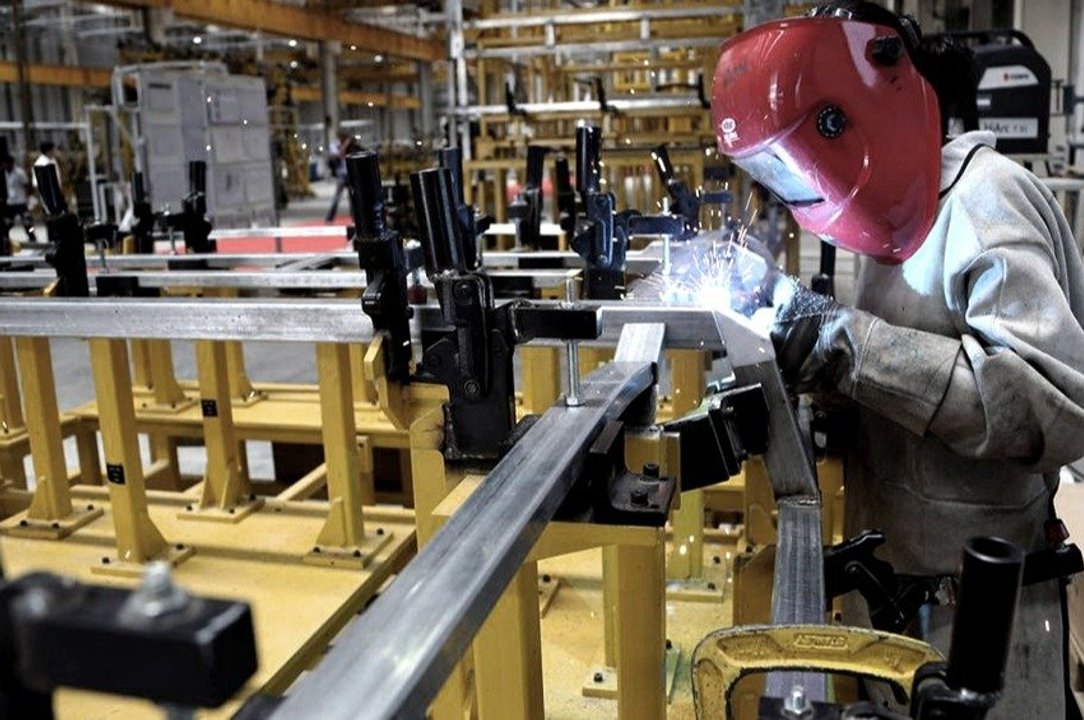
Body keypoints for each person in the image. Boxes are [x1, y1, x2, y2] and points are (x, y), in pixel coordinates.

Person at [711, 3, 1084, 719]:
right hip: (893, 600)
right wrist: (818, 383)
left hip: (983, 623)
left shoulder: (985, 201)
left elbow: (1053, 407)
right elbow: (904, 381)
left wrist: (844, 342)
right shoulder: (892, 218)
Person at [2, 155, 35, 241]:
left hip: (21, 201)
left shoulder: (20, 173)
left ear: (11, 163)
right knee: (7, 223)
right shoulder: (4, 173)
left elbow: (27, 186)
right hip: (10, 202)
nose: (5, 166)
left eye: (7, 164)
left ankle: (32, 236)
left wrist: (29, 198)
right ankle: (5, 238)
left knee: (27, 222)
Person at [325, 132, 354, 222]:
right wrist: (345, 145)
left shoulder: (350, 145)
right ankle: (330, 217)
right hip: (341, 174)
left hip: (349, 174)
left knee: (353, 196)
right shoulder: (335, 145)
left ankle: (354, 216)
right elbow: (338, 155)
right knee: (337, 197)